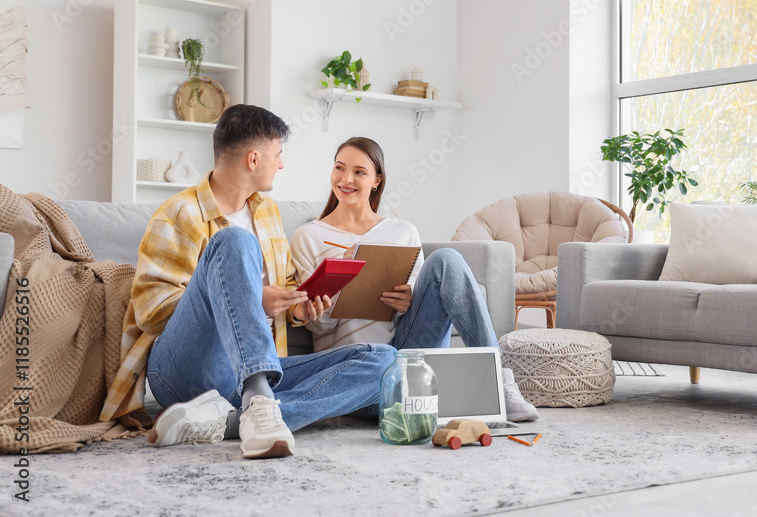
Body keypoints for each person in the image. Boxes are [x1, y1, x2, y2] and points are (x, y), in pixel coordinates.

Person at [100, 105, 396, 459]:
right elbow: (150, 312)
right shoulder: (179, 214)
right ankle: (257, 400)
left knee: (384, 360)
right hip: (184, 371)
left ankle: (231, 420)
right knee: (234, 241)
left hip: (254, 368)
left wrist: (301, 307)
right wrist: (250, 300)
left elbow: (284, 287)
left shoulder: (267, 212)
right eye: (278, 154)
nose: (282, 164)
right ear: (254, 160)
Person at [289, 136, 538, 422]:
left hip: (406, 357)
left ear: (377, 180)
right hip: (359, 373)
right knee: (377, 361)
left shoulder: (402, 231)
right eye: (339, 168)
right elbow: (318, 325)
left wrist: (407, 301)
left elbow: (420, 307)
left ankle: (500, 382)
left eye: (359, 172)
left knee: (447, 259)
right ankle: (416, 397)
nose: (346, 179)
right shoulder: (308, 236)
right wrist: (339, 287)